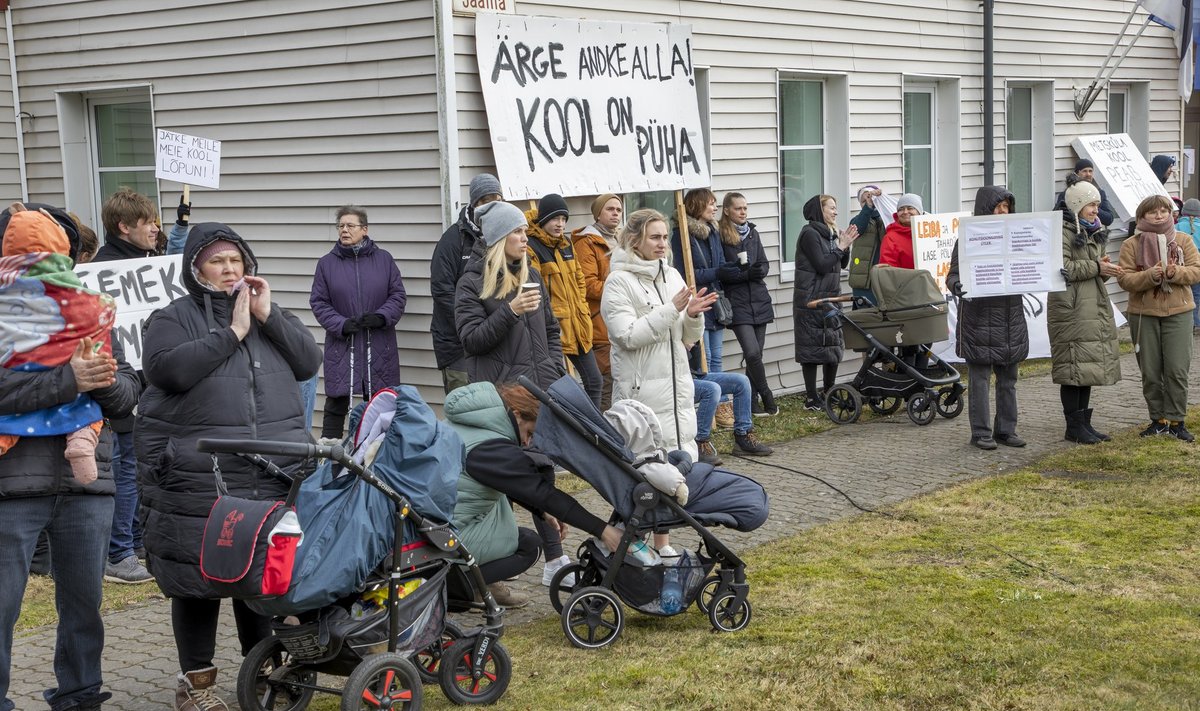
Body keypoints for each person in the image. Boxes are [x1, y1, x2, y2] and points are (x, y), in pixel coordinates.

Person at [136, 223, 320, 709]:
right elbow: (167, 370)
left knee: (259, 578)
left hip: (268, 474)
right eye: (217, 261)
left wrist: (267, 315)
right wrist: (233, 333)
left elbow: (308, 362)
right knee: (199, 583)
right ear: (196, 268)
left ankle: (259, 675)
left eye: (236, 260)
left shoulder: (265, 316)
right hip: (202, 478)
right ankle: (194, 687)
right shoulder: (172, 318)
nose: (229, 269)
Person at [0, 204, 140, 711]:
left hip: (89, 486)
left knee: (85, 607)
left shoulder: (91, 313)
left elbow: (127, 396)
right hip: (12, 487)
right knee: (2, 610)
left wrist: (99, 377)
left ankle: (81, 699)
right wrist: (68, 380)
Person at [455, 199, 570, 584]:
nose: (525, 238)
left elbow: (551, 331)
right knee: (501, 487)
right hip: (500, 401)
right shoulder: (471, 282)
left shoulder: (532, 274)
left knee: (542, 471)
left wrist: (554, 370)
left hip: (537, 392)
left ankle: (554, 562)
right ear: (498, 238)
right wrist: (511, 311)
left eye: (524, 231)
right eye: (517, 232)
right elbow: (471, 340)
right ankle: (491, 577)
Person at [0, 206, 114, 487]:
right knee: (85, 409)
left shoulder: (7, 284)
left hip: (17, 359)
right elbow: (102, 310)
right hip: (18, 487)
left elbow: (124, 393)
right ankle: (82, 440)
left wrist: (100, 378)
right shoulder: (80, 297)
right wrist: (73, 377)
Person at [603, 208, 716, 460]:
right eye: (655, 237)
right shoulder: (618, 281)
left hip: (678, 393)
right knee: (650, 475)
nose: (662, 243)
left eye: (665, 237)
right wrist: (672, 309)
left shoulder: (672, 275)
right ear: (634, 240)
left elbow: (687, 338)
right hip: (642, 394)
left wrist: (693, 315)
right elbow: (627, 336)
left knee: (685, 469)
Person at [91, 188, 159, 584]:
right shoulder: (102, 271)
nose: (155, 228)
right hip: (124, 388)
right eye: (147, 222)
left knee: (140, 467)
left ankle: (135, 543)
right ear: (123, 226)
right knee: (127, 468)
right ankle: (119, 551)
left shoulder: (149, 263)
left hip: (150, 385)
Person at [310, 205, 407, 441]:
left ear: (364, 229)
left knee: (379, 405)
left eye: (350, 225)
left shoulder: (384, 260)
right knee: (336, 405)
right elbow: (319, 302)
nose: (344, 230)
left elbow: (398, 295)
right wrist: (341, 324)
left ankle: (376, 458)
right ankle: (328, 458)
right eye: (340, 226)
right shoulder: (327, 264)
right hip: (343, 347)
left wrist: (381, 316)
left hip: (379, 347)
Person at [443, 382, 542, 608]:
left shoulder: (469, 421)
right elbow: (536, 490)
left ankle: (484, 583)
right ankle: (460, 588)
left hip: (434, 527)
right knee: (530, 545)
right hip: (445, 540)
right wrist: (602, 530)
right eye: (529, 433)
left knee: (498, 500)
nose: (527, 442)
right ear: (517, 415)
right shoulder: (491, 446)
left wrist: (542, 512)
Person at [947, 186, 1029, 451]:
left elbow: (1033, 264)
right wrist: (958, 285)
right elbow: (953, 274)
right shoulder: (968, 239)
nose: (1003, 211)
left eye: (1007, 207)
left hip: (1010, 318)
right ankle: (980, 433)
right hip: (979, 319)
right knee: (980, 380)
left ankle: (1006, 430)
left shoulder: (1018, 237)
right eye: (998, 207)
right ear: (985, 209)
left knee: (1008, 380)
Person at [1117, 194, 1200, 441]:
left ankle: (1176, 421)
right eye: (1153, 212)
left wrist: (1176, 272)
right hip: (1144, 314)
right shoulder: (1131, 244)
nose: (1159, 216)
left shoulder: (1183, 239)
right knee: (1151, 371)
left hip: (1179, 312)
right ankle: (1158, 420)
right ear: (1142, 215)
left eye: (1164, 211)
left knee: (1176, 369)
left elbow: (1196, 271)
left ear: (1171, 214)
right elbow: (1125, 279)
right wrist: (1149, 277)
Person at [1050, 179, 1123, 445]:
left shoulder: (1095, 229)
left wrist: (1103, 268)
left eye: (1097, 205)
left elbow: (1093, 271)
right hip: (1070, 307)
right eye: (1092, 204)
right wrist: (1097, 267)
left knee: (1087, 367)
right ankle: (1073, 427)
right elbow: (1063, 268)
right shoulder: (1062, 231)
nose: (1096, 210)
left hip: (1090, 304)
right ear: (1078, 204)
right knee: (1073, 368)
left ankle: (1084, 425)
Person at [526, 193, 604, 409]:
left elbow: (579, 280)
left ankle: (595, 432)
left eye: (563, 219)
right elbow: (535, 287)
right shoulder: (532, 247)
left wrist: (581, 308)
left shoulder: (566, 244)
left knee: (594, 380)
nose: (560, 224)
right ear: (543, 220)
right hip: (552, 329)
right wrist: (548, 319)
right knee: (557, 387)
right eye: (554, 219)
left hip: (578, 325)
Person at [432, 173, 502, 394]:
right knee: (465, 408)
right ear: (474, 204)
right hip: (457, 346)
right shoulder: (453, 240)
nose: (492, 206)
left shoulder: (502, 238)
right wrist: (471, 325)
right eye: (485, 200)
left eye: (497, 199)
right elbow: (442, 290)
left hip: (494, 342)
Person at [671, 188, 736, 427]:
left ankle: (722, 407)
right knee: (704, 357)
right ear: (697, 206)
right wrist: (716, 272)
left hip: (715, 299)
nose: (715, 208)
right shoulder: (682, 235)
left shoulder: (713, 232)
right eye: (711, 204)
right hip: (696, 301)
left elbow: (719, 264)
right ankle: (706, 408)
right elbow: (686, 273)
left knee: (717, 357)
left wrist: (728, 271)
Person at [793, 194, 858, 411]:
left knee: (832, 345)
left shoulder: (831, 233)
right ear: (819, 211)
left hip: (832, 296)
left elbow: (841, 262)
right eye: (831, 208)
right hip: (811, 298)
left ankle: (829, 392)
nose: (835, 212)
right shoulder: (809, 233)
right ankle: (811, 398)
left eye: (835, 207)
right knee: (811, 349)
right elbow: (822, 264)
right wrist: (840, 246)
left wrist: (845, 246)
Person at [717, 192, 778, 416]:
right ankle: (767, 394)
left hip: (760, 300)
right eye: (738, 208)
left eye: (745, 208)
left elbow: (764, 264)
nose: (743, 212)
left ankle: (751, 403)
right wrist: (746, 274)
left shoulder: (753, 232)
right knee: (751, 353)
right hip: (738, 301)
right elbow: (723, 272)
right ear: (727, 210)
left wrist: (757, 270)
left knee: (756, 357)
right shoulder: (720, 235)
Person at [573, 193, 623, 410]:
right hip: (600, 323)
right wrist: (623, 290)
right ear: (598, 213)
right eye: (610, 209)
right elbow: (588, 284)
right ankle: (602, 436)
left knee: (622, 381)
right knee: (605, 383)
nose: (616, 213)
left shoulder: (622, 240)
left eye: (619, 210)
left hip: (623, 319)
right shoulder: (588, 242)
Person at [690, 345, 773, 463]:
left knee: (741, 381)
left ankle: (743, 436)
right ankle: (700, 442)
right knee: (712, 389)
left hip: (694, 375)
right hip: (678, 382)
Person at [848, 185, 887, 306]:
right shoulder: (856, 220)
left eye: (871, 199)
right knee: (865, 312)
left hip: (883, 276)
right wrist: (868, 207)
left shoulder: (886, 219)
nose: (868, 202)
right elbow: (858, 229)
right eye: (863, 201)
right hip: (863, 278)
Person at [1053, 160, 1115, 226]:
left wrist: (1092, 205)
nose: (1088, 174)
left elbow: (1109, 219)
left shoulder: (1099, 193)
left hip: (1095, 233)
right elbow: (1057, 217)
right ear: (1077, 173)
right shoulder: (1067, 194)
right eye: (1084, 171)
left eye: (1090, 171)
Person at [1174, 198, 1200, 332]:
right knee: (1197, 295)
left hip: (1181, 267)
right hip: (1197, 268)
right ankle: (1197, 322)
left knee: (1185, 294)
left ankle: (1189, 322)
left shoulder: (1177, 227)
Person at [879, 193, 922, 269]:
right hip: (905, 280)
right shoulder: (890, 238)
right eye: (901, 209)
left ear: (919, 212)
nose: (905, 212)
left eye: (910, 208)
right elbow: (888, 272)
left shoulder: (933, 233)